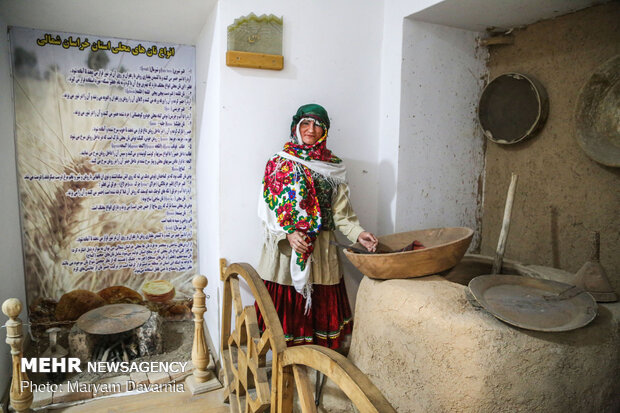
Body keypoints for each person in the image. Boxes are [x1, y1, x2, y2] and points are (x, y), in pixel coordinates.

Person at [256, 103, 378, 350]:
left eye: (318, 125)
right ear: (296, 127)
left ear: (325, 131)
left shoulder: (334, 167)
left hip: (321, 252)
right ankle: (288, 369)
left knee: (319, 323)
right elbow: (268, 208)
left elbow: (341, 214)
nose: (311, 129)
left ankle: (316, 369)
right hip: (287, 249)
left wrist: (359, 233)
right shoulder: (279, 163)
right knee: (286, 325)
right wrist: (288, 234)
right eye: (306, 123)